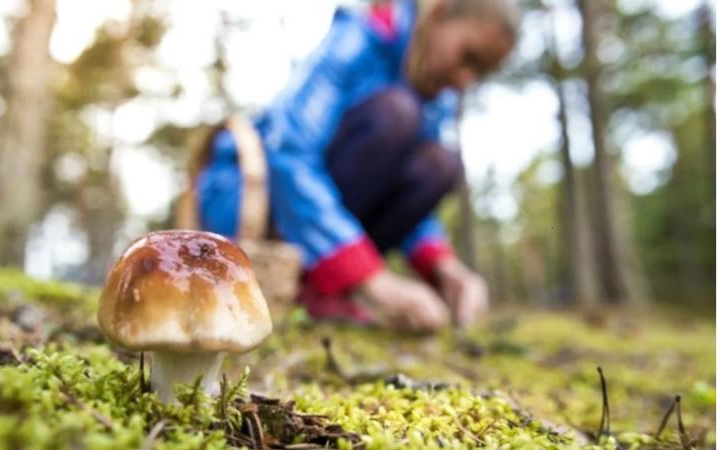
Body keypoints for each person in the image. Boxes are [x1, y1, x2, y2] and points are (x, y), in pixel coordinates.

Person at [194, 0, 519, 333]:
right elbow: (289, 153)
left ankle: (328, 286)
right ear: (439, 14)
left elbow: (400, 188)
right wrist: (372, 279)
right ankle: (321, 279)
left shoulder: (434, 98)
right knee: (396, 114)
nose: (466, 80)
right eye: (468, 57)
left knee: (440, 163)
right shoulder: (357, 41)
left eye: (480, 72)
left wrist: (443, 264)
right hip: (250, 207)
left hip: (328, 219)